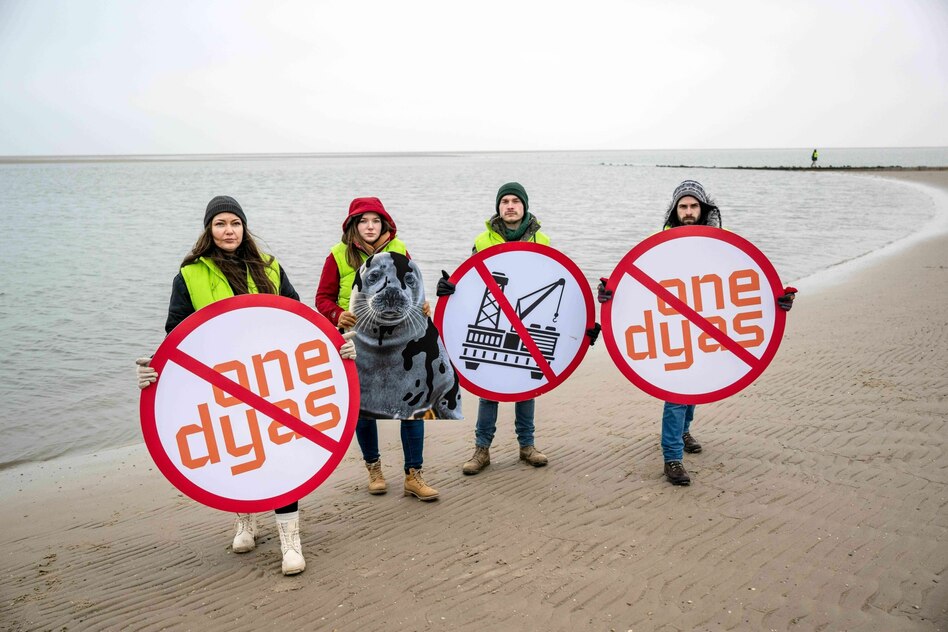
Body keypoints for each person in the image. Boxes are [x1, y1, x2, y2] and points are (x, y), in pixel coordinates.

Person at [135, 195, 354, 576]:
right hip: (222, 385)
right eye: (220, 223)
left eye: (234, 223)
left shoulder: (269, 267)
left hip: (274, 380)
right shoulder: (190, 274)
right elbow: (177, 333)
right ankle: (245, 520)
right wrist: (154, 373)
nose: (228, 230)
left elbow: (298, 320)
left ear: (244, 227)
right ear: (209, 230)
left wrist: (336, 346)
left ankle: (290, 541)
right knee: (240, 453)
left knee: (283, 456)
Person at [598, 180, 796, 486]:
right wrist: (610, 293)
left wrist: (778, 299)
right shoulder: (660, 243)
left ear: (703, 208)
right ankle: (672, 457)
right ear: (675, 211)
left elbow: (743, 281)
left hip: (706, 325)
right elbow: (638, 282)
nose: (688, 212)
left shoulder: (720, 243)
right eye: (683, 207)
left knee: (696, 386)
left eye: (693, 206)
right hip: (671, 325)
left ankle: (683, 431)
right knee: (677, 392)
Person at [438, 182, 599, 475]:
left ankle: (527, 446)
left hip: (523, 323)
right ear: (498, 207)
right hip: (496, 316)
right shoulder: (482, 240)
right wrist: (449, 291)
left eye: (515, 201)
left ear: (524, 206)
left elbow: (558, 277)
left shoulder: (543, 240)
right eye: (505, 202)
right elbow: (472, 284)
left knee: (527, 388)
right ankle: (482, 450)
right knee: (489, 389)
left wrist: (583, 324)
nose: (510, 206)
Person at [315, 196, 439, 501]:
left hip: (400, 342)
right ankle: (374, 469)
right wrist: (336, 314)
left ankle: (414, 475)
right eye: (363, 221)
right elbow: (322, 298)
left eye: (375, 221)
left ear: (384, 224)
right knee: (365, 412)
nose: (369, 227)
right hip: (359, 344)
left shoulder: (399, 250)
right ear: (353, 226)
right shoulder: (337, 255)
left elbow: (414, 288)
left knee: (411, 409)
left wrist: (423, 305)